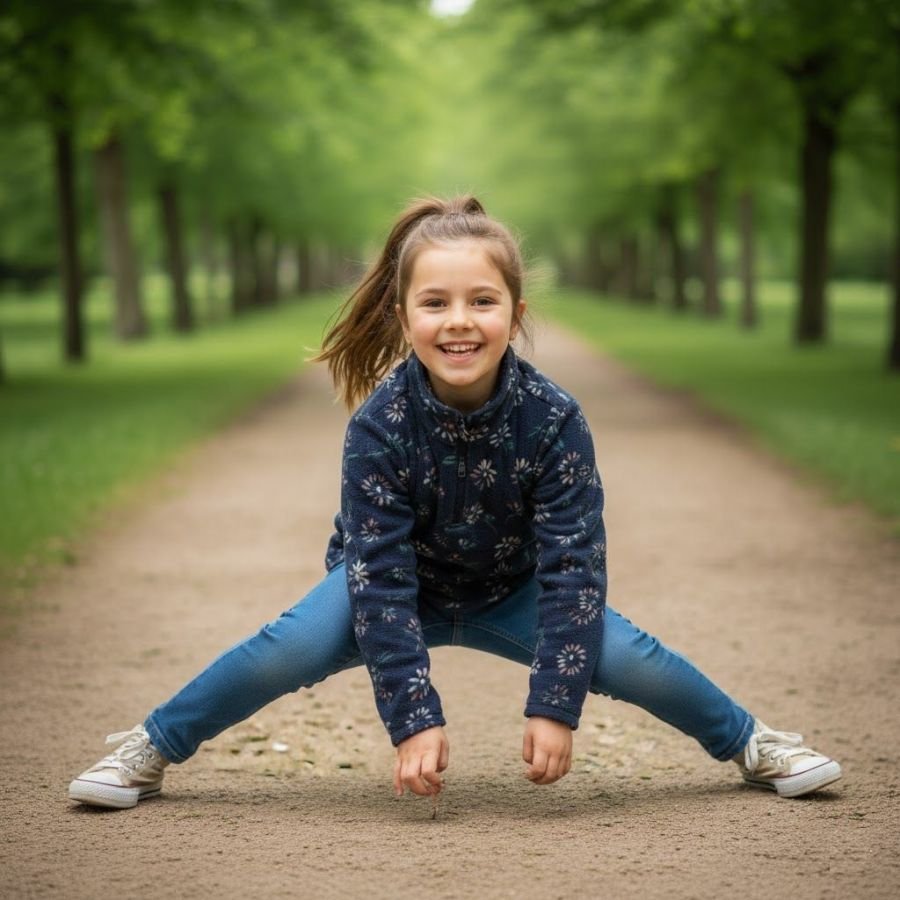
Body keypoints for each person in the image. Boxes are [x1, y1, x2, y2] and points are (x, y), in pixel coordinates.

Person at [68, 196, 841, 810]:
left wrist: (555, 704)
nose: (460, 321)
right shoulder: (379, 425)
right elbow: (377, 571)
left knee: (631, 655)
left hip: (516, 593)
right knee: (287, 646)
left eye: (482, 300)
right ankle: (152, 746)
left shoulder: (556, 420)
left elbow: (575, 569)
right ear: (403, 318)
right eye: (435, 303)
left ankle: (753, 743)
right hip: (391, 592)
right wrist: (415, 717)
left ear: (517, 313)